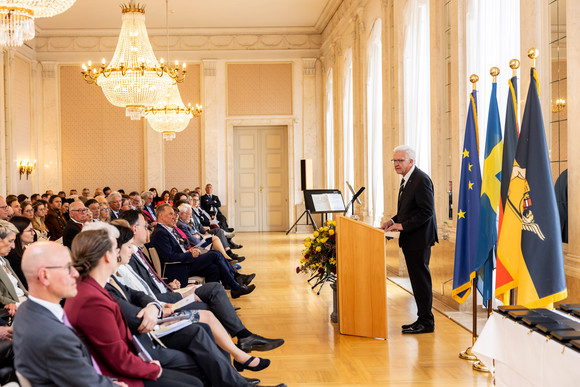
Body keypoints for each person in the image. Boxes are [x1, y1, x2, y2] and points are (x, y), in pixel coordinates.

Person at [109, 221, 270, 373]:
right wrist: (167, 296)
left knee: (213, 270)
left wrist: (170, 285)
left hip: (166, 288)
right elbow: (144, 290)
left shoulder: (134, 254)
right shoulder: (131, 257)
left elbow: (147, 283)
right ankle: (241, 341)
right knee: (213, 275)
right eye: (145, 225)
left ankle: (238, 353)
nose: (149, 228)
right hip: (167, 289)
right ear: (134, 229)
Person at [64, 228, 203, 386]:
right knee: (195, 380)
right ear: (106, 257)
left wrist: (153, 307)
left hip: (129, 359)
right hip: (118, 376)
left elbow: (135, 295)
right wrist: (152, 369)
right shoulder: (91, 299)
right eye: (116, 249)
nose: (118, 254)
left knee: (195, 375)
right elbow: (118, 359)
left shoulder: (93, 287)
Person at [13, 242, 125, 386]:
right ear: (45, 276)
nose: (76, 273)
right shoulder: (54, 337)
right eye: (67, 268)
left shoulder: (26, 310)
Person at [382, 145, 438, 334]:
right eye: (394, 161)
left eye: (400, 161)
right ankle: (421, 318)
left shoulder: (420, 179)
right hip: (411, 239)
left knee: (421, 281)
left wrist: (403, 226)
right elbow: (408, 210)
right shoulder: (407, 179)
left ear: (411, 161)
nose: (396, 164)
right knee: (416, 281)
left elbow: (427, 211)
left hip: (419, 239)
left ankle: (427, 322)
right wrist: (393, 220)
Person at [149, 205, 255, 298]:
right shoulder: (160, 233)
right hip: (177, 267)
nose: (174, 217)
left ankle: (215, 299)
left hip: (184, 262)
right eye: (171, 214)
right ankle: (235, 283)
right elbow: (169, 257)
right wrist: (190, 255)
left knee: (214, 268)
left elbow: (180, 248)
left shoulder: (167, 229)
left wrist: (191, 251)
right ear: (161, 215)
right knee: (216, 254)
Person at [0, 220, 28, 325]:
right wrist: (14, 303)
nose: (13, 247)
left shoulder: (4, 260)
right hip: (14, 309)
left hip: (24, 302)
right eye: (10, 241)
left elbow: (21, 289)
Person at [6, 216, 36, 289]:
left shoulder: (24, 251)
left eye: (33, 230)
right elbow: (24, 283)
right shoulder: (12, 256)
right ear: (18, 233)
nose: (33, 233)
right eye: (30, 230)